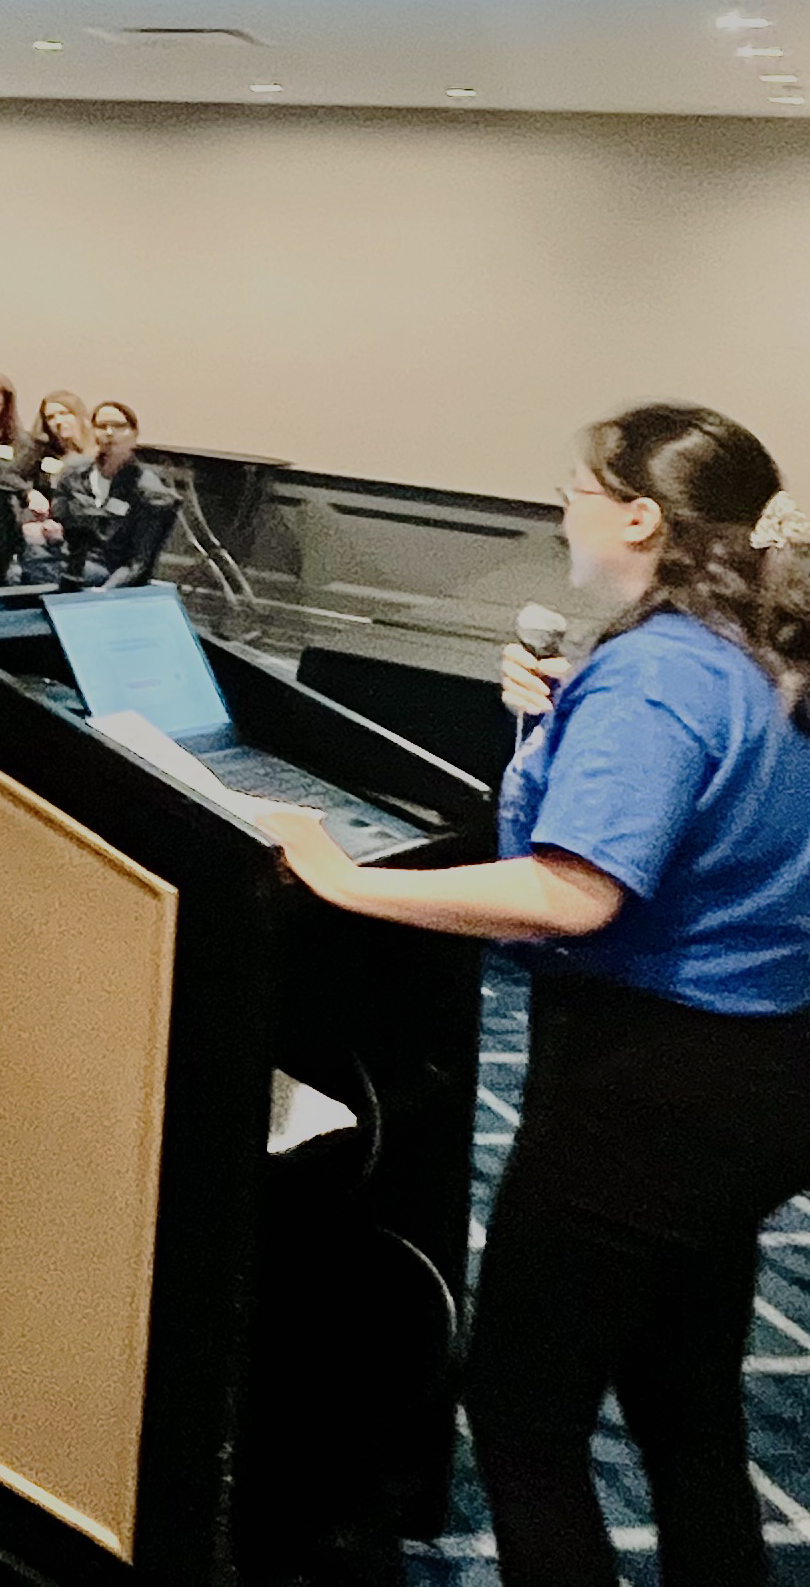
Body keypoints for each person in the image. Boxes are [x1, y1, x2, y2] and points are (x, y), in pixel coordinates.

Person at [257, 404, 810, 1587]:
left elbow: (572, 894)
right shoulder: (756, 649)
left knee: (524, 1414)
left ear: (639, 515)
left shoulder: (657, 673)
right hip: (764, 1072)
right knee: (684, 1403)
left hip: (650, 1085)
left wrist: (340, 876)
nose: (559, 505)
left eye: (574, 486)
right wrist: (567, 718)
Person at [20, 400, 171, 586]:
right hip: (65, 558)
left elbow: (138, 563)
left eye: (118, 426)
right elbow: (60, 525)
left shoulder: (148, 490)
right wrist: (48, 532)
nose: (109, 433)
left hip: (107, 570)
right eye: (102, 426)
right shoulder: (73, 474)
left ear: (134, 434)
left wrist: (104, 595)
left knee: (38, 574)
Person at [19, 390, 95, 484]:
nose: (58, 421)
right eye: (50, 417)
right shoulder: (42, 456)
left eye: (63, 413)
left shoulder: (99, 450)